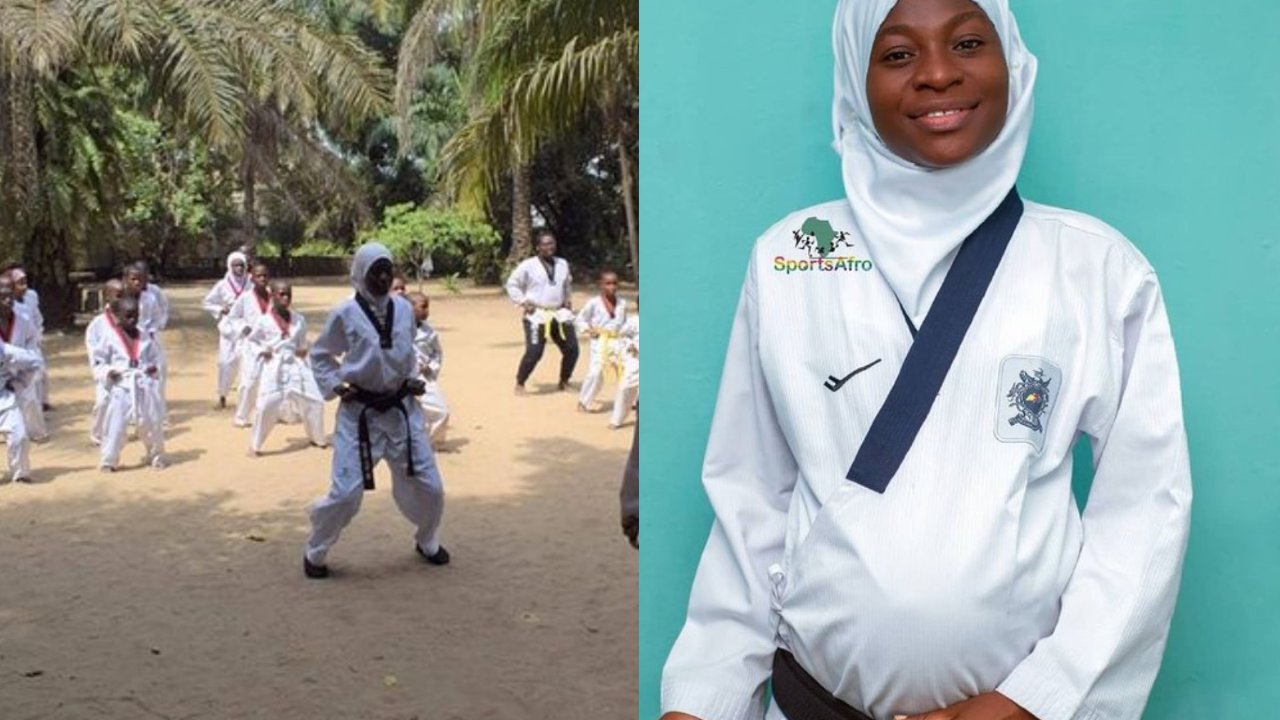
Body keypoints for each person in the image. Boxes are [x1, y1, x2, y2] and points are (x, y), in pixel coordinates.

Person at [659, 2, 1193, 720]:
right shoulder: (792, 258)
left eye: (969, 42)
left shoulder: (1095, 270)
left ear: (1013, 61)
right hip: (816, 704)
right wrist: (705, 697)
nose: (939, 74)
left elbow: (1144, 513)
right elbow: (750, 502)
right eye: (898, 54)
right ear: (855, 75)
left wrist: (1033, 701)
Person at [302, 243, 448, 579]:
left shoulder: (403, 309)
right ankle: (316, 551)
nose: (383, 277)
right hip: (360, 415)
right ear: (360, 274)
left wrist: (411, 379)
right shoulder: (344, 314)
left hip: (402, 412)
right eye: (375, 271)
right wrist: (338, 384)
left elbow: (407, 352)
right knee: (345, 493)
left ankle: (427, 540)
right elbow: (321, 355)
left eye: (387, 269)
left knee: (431, 487)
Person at [247, 279, 327, 456]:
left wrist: (303, 349)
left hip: (296, 366)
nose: (286, 297)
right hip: (275, 366)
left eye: (289, 294)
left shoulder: (299, 319)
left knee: (315, 400)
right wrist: (262, 350)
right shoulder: (263, 321)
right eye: (281, 293)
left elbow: (302, 342)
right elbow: (252, 341)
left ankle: (317, 437)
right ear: (272, 296)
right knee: (265, 405)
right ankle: (255, 446)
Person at [92, 296, 165, 471]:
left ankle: (156, 455)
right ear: (117, 316)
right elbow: (98, 361)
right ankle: (109, 460)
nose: (133, 320)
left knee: (150, 423)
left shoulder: (145, 335)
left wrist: (153, 368)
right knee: (116, 425)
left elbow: (156, 357)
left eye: (136, 315)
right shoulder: (109, 337)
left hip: (143, 384)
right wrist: (108, 372)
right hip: (121, 386)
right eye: (128, 316)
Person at [505, 230, 579, 393]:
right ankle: (520, 382)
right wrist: (523, 302)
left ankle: (564, 381)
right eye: (545, 244)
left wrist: (567, 298)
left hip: (559, 314)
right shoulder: (528, 265)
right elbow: (512, 284)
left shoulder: (562, 264)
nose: (549, 247)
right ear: (538, 247)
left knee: (572, 349)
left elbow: (567, 284)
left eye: (551, 243)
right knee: (534, 352)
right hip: (537, 316)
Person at [0, 279, 42, 483]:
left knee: (19, 435)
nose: (7, 300)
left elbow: (34, 358)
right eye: (2, 297)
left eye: (9, 295)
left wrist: (18, 382)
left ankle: (21, 474)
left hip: (6, 389)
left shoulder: (23, 320)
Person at [574, 270, 630, 413]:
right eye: (608, 283)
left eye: (615, 283)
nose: (612, 287)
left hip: (618, 341)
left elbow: (624, 323)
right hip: (600, 341)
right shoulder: (593, 303)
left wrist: (629, 338)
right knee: (596, 372)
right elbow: (580, 319)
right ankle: (583, 401)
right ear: (601, 285)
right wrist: (588, 330)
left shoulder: (622, 303)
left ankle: (631, 401)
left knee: (628, 371)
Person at [202, 251, 251, 408]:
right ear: (230, 266)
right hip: (228, 328)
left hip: (245, 328)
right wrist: (221, 309)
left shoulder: (250, 283)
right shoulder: (222, 285)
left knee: (245, 362)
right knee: (225, 362)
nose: (239, 268)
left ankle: (246, 400)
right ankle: (222, 394)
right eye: (235, 265)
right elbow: (207, 302)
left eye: (241, 265)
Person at [228, 262, 273, 427]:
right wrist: (242, 327)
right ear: (251, 278)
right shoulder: (245, 298)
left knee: (269, 380)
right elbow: (233, 317)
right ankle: (241, 415)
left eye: (265, 275)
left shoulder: (273, 296)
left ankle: (264, 414)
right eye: (258, 275)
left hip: (270, 344)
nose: (262, 278)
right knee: (248, 381)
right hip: (251, 345)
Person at [124, 262, 171, 425]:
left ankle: (160, 416)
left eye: (142, 279)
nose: (139, 283)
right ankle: (131, 416)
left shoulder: (151, 297)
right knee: (129, 379)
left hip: (148, 341)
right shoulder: (120, 298)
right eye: (134, 279)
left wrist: (152, 331)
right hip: (127, 343)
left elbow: (158, 317)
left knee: (157, 375)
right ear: (126, 280)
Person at [408, 292, 450, 447]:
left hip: (424, 378)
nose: (427, 311)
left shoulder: (429, 332)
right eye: (423, 306)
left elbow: (437, 353)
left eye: (428, 307)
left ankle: (433, 443)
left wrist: (431, 367)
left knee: (441, 411)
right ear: (409, 308)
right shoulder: (397, 329)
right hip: (401, 379)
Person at [86, 279, 125, 445]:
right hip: (107, 370)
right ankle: (97, 434)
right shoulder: (97, 324)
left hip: (127, 368)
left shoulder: (132, 317)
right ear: (107, 297)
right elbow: (95, 354)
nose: (122, 299)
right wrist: (107, 371)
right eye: (118, 296)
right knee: (103, 402)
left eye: (125, 295)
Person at [8, 266, 49, 411]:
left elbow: (37, 319)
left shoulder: (31, 297)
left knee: (38, 375)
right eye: (20, 282)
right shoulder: (8, 305)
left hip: (31, 344)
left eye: (25, 281)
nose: (24, 286)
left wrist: (37, 337)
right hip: (12, 349)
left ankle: (42, 404)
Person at [609, 314, 639, 430]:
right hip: (636, 359)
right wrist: (631, 345)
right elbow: (622, 335)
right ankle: (617, 419)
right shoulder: (634, 321)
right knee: (625, 388)